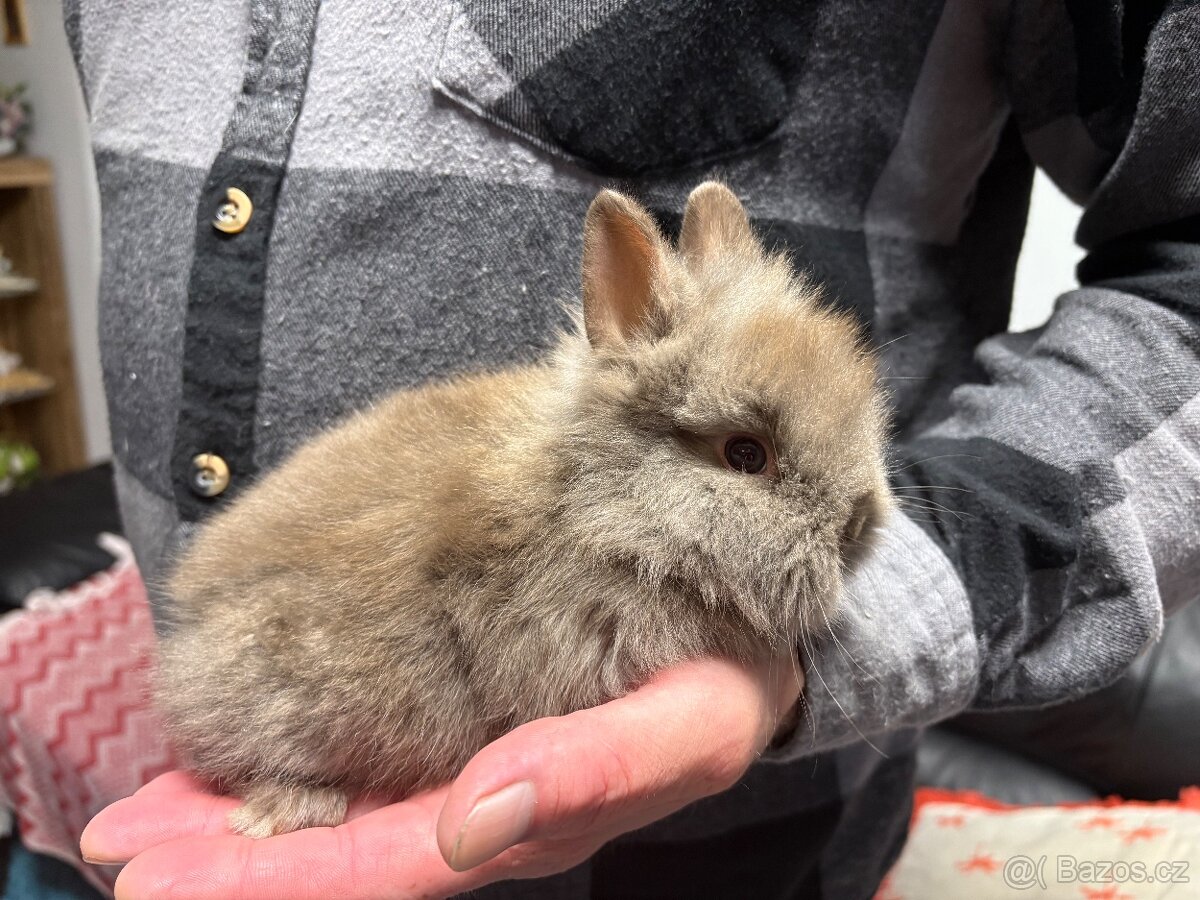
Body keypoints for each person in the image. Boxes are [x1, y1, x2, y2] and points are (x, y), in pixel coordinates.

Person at [68, 1, 1200, 897]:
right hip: (254, 739)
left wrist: (901, 590)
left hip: (746, 867)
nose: (858, 514)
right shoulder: (546, 503)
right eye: (748, 457)